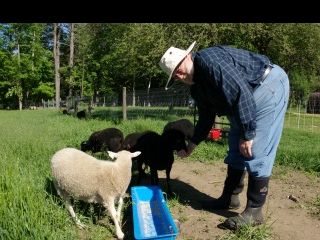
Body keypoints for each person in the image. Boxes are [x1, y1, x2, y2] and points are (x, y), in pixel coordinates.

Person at [159, 41, 290, 230]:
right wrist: (193, 143)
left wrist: (248, 133)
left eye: (178, 67)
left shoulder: (209, 61)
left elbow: (240, 92)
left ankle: (254, 211)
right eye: (174, 75)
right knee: (236, 149)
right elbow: (206, 117)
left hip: (266, 86)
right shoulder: (197, 87)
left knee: (255, 148)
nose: (179, 74)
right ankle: (229, 198)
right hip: (245, 98)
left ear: (188, 56)